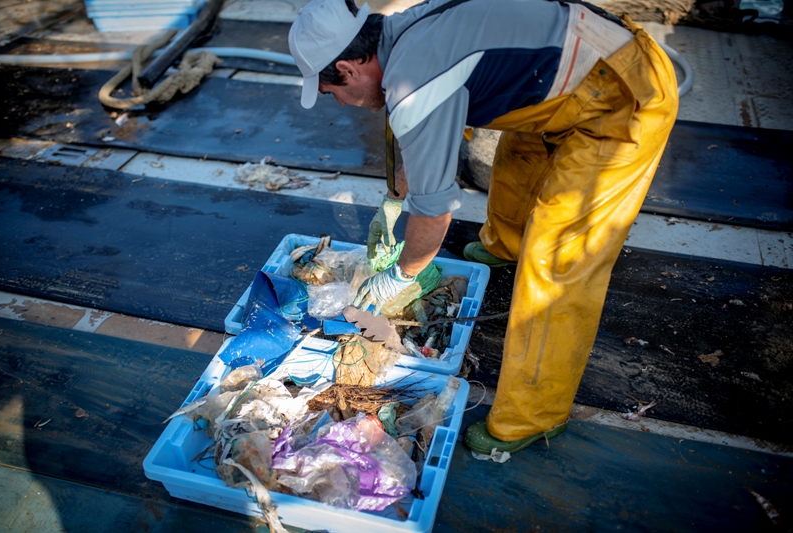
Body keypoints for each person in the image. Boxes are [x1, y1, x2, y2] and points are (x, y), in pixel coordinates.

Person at [288, 0, 678, 455]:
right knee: (519, 159)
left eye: (331, 91)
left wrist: (401, 275)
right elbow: (420, 138)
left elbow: (434, 213)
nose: (341, 103)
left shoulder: (416, 84)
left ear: (348, 69)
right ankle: (506, 246)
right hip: (566, 80)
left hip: (625, 94)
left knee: (559, 257)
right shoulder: (398, 38)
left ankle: (531, 416)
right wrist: (394, 204)